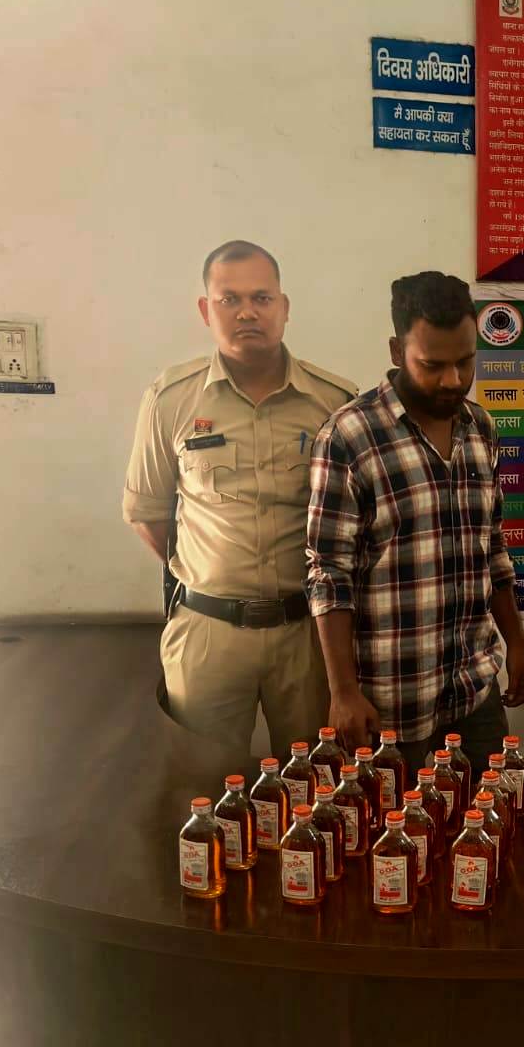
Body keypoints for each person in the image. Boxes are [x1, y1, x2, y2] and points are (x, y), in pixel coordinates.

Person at [122, 240, 357, 755]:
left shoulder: (334, 403)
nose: (247, 312)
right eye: (229, 299)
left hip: (308, 635)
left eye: (261, 298)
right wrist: (211, 575)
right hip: (208, 633)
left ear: (284, 307)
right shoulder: (171, 399)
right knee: (199, 782)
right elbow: (147, 513)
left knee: (314, 782)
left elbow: (354, 523)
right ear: (206, 310)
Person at [305, 271, 524, 776]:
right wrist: (343, 692)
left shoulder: (481, 428)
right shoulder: (349, 436)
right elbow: (329, 573)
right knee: (393, 826)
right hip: (389, 699)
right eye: (432, 365)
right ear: (396, 351)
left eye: (465, 361)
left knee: (490, 814)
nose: (453, 380)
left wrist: (517, 646)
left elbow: (492, 548)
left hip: (474, 686)